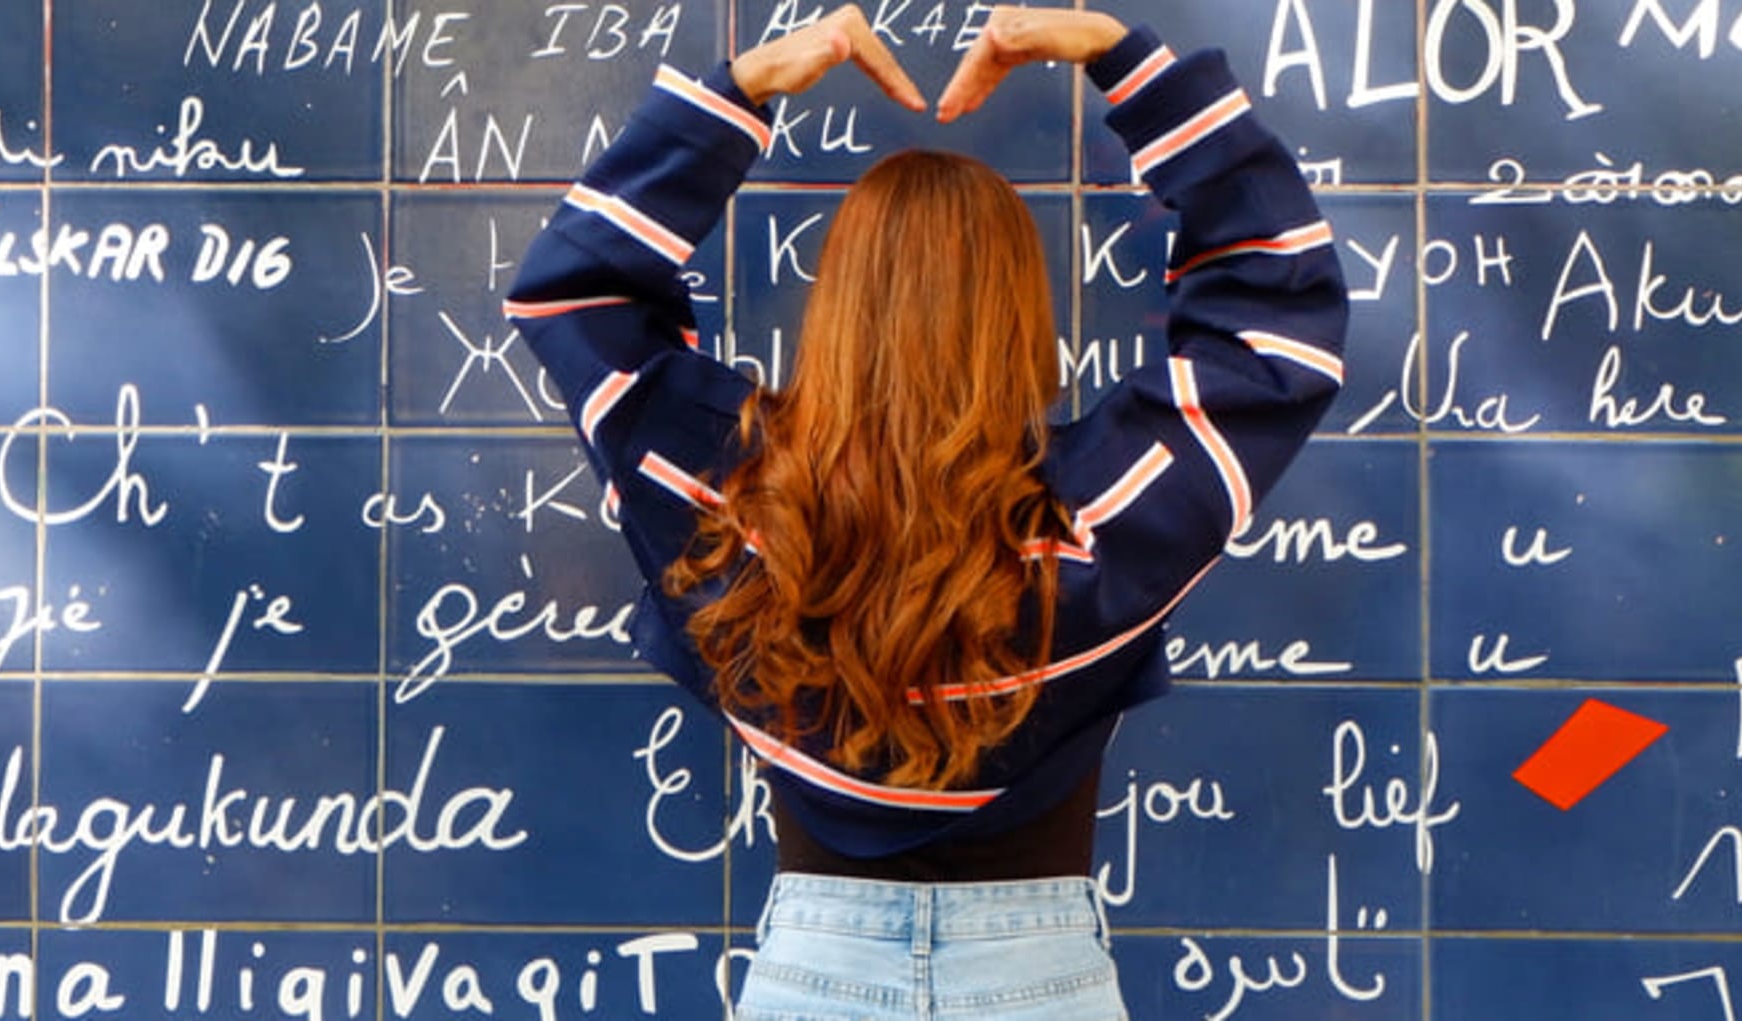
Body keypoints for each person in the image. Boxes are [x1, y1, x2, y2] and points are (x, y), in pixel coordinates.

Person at [505, 5, 1344, 1016]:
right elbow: (1277, 320)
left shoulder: (734, 502)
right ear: (1020, 313)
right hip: (1044, 982)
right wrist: (1126, 62)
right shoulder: (1097, 524)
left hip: (808, 976)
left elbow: (574, 297)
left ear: (837, 301)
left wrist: (739, 94)